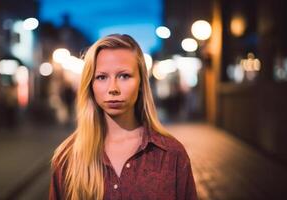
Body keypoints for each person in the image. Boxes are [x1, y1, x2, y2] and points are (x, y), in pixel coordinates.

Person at [49, 34, 197, 200]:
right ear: (90, 85)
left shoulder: (171, 154)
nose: (113, 88)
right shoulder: (67, 157)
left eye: (124, 76)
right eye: (102, 77)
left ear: (141, 83)